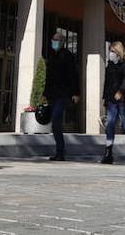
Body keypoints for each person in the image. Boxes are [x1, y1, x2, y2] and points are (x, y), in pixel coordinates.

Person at [42, 28, 79, 161]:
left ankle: (61, 151)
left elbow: (73, 75)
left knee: (56, 120)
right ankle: (59, 150)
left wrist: (75, 93)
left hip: (63, 93)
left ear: (62, 42)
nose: (54, 42)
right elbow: (48, 76)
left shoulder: (68, 56)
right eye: (53, 40)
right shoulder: (51, 56)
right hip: (53, 94)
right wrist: (45, 93)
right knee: (54, 123)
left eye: (56, 40)